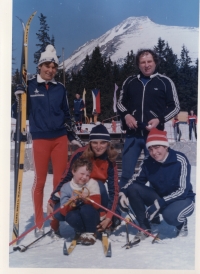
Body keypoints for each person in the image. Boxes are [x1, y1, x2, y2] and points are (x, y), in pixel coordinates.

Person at [14, 45, 78, 237]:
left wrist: (71, 131)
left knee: (59, 182)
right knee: (40, 180)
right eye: (47, 66)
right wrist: (18, 97)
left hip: (59, 138)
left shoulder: (60, 88)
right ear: (40, 66)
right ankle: (39, 220)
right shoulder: (30, 86)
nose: (50, 70)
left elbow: (67, 114)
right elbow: (16, 112)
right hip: (41, 138)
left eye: (54, 67)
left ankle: (55, 220)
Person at [117, 48, 180, 189]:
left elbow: (175, 107)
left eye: (149, 61)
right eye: (143, 62)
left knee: (156, 175)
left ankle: (155, 206)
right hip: (133, 135)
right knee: (126, 174)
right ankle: (120, 207)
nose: (146, 65)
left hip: (154, 137)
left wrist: (159, 119)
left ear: (155, 62)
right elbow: (120, 103)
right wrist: (126, 115)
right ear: (138, 65)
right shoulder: (130, 81)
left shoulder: (165, 82)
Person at [119, 128, 195, 243]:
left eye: (157, 147)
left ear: (166, 147)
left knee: (169, 216)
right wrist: (123, 192)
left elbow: (182, 190)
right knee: (133, 188)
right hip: (159, 197)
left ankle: (181, 223)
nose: (154, 152)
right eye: (150, 149)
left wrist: (159, 203)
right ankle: (144, 227)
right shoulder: (148, 161)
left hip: (182, 199)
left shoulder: (180, 160)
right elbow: (136, 181)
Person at [47, 124, 120, 235]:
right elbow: (66, 176)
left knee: (98, 184)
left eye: (103, 142)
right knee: (58, 212)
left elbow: (113, 190)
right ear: (90, 143)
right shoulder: (81, 153)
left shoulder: (110, 160)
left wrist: (109, 217)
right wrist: (52, 200)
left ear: (108, 144)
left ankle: (101, 220)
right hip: (77, 192)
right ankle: (81, 225)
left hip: (97, 196)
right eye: (95, 142)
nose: (98, 146)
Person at [58, 158, 104, 245]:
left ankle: (91, 232)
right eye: (82, 173)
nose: (84, 177)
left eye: (87, 175)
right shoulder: (66, 187)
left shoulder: (91, 183)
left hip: (92, 215)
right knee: (70, 216)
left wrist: (86, 199)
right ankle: (82, 231)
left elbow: (97, 205)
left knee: (85, 208)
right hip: (77, 215)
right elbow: (63, 211)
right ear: (74, 171)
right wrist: (71, 204)